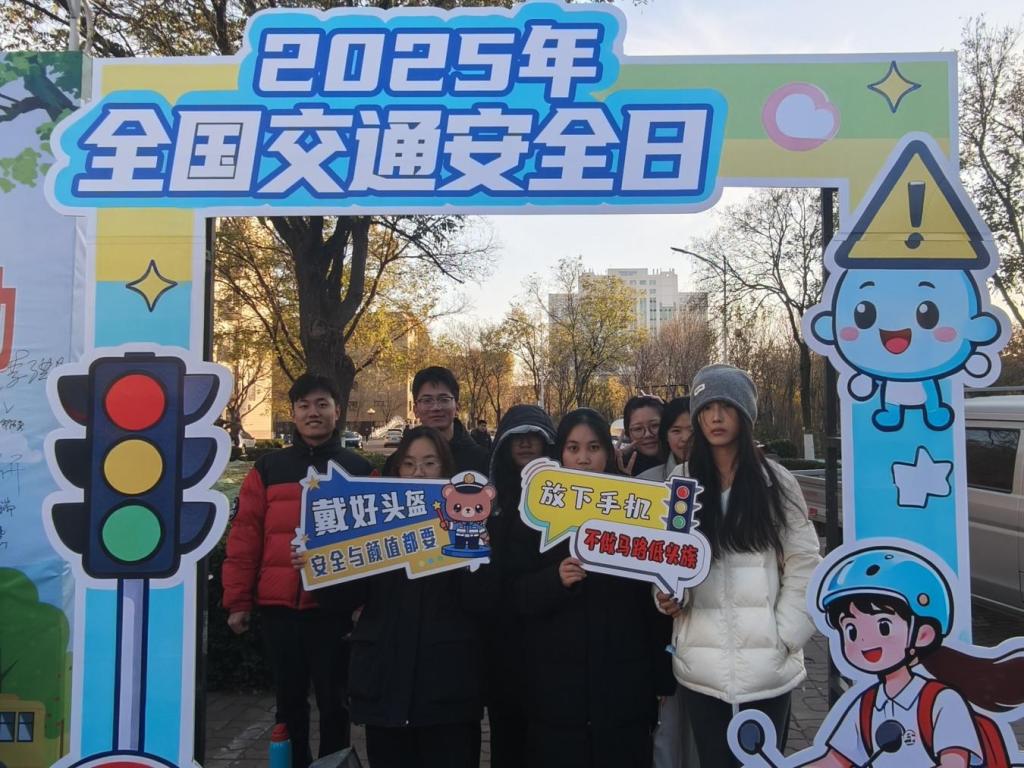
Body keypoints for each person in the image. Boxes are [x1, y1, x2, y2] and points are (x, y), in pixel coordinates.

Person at [656, 364, 822, 768]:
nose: (716, 417)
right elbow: (666, 556)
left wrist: (785, 636)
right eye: (706, 408)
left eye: (726, 406)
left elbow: (805, 563)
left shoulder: (775, 482)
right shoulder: (681, 482)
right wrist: (665, 595)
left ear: (745, 415)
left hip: (767, 669)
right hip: (701, 667)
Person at [313, 426, 491, 768]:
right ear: (396, 469)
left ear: (446, 470)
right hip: (384, 687)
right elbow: (340, 600)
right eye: (409, 464)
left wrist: (475, 555)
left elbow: (482, 602)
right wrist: (319, 566)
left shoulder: (468, 521)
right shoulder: (372, 524)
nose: (418, 472)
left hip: (448, 691)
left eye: (429, 463)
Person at [222, 373, 373, 768]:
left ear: (337, 411)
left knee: (335, 704)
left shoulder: (358, 468)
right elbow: (245, 536)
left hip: (334, 609)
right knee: (288, 705)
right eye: (304, 406)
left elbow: (372, 545)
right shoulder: (268, 467)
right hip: (279, 610)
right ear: (293, 413)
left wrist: (364, 603)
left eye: (322, 404)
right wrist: (238, 600)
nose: (313, 413)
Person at [510, 408, 673, 768]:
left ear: (608, 453)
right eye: (573, 448)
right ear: (560, 453)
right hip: (556, 691)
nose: (583, 458)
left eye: (594, 447)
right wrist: (554, 580)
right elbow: (515, 596)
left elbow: (653, 602)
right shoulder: (533, 514)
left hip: (623, 685)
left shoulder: (636, 509)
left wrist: (661, 678)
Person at [797, 546, 1024, 768]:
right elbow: (836, 760)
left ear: (924, 634)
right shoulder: (866, 705)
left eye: (883, 626)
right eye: (851, 630)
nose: (864, 639)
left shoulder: (942, 701)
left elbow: (954, 762)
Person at [485, 404, 558, 768]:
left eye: (534, 436)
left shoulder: (569, 497)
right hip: (502, 641)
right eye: (517, 437)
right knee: (507, 736)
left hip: (552, 635)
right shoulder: (487, 501)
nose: (526, 443)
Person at [638, 397, 699, 767]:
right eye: (676, 430)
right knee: (669, 728)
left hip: (711, 618)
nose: (684, 438)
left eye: (691, 429)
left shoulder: (726, 480)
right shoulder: (648, 483)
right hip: (663, 620)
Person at [412, 366, 489, 473]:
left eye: (444, 399)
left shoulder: (483, 462)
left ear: (457, 407)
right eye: (427, 400)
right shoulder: (399, 462)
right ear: (415, 410)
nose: (436, 407)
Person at [619, 395, 665, 476]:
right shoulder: (621, 467)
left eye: (654, 425)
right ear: (628, 434)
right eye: (638, 429)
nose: (647, 434)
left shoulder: (684, 461)